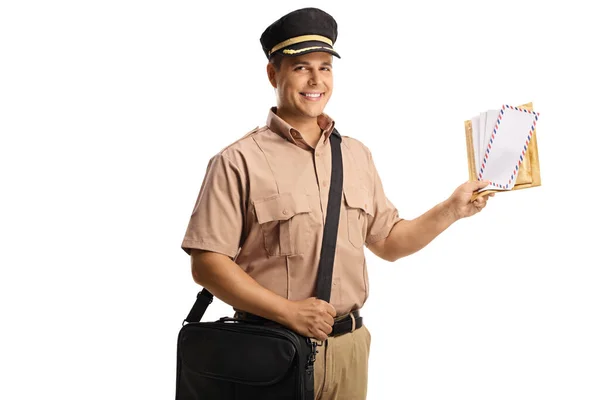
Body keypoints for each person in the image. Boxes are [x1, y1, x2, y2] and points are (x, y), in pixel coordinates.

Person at [180, 7, 493, 400]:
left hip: (349, 350)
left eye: (325, 68)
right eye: (301, 68)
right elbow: (207, 263)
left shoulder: (356, 155)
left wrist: (452, 209)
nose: (316, 80)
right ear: (273, 74)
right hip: (268, 349)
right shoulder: (238, 160)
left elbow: (389, 242)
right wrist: (288, 311)